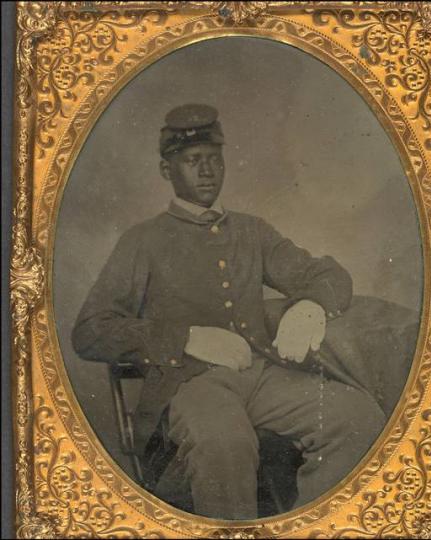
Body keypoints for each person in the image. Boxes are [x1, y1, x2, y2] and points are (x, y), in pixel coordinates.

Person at [72, 104, 385, 520]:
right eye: (192, 161)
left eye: (215, 160)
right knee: (225, 442)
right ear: (168, 171)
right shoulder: (142, 241)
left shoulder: (251, 231)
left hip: (262, 376)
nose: (206, 171)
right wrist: (188, 338)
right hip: (189, 385)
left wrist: (310, 305)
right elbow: (91, 332)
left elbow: (325, 274)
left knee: (356, 417)